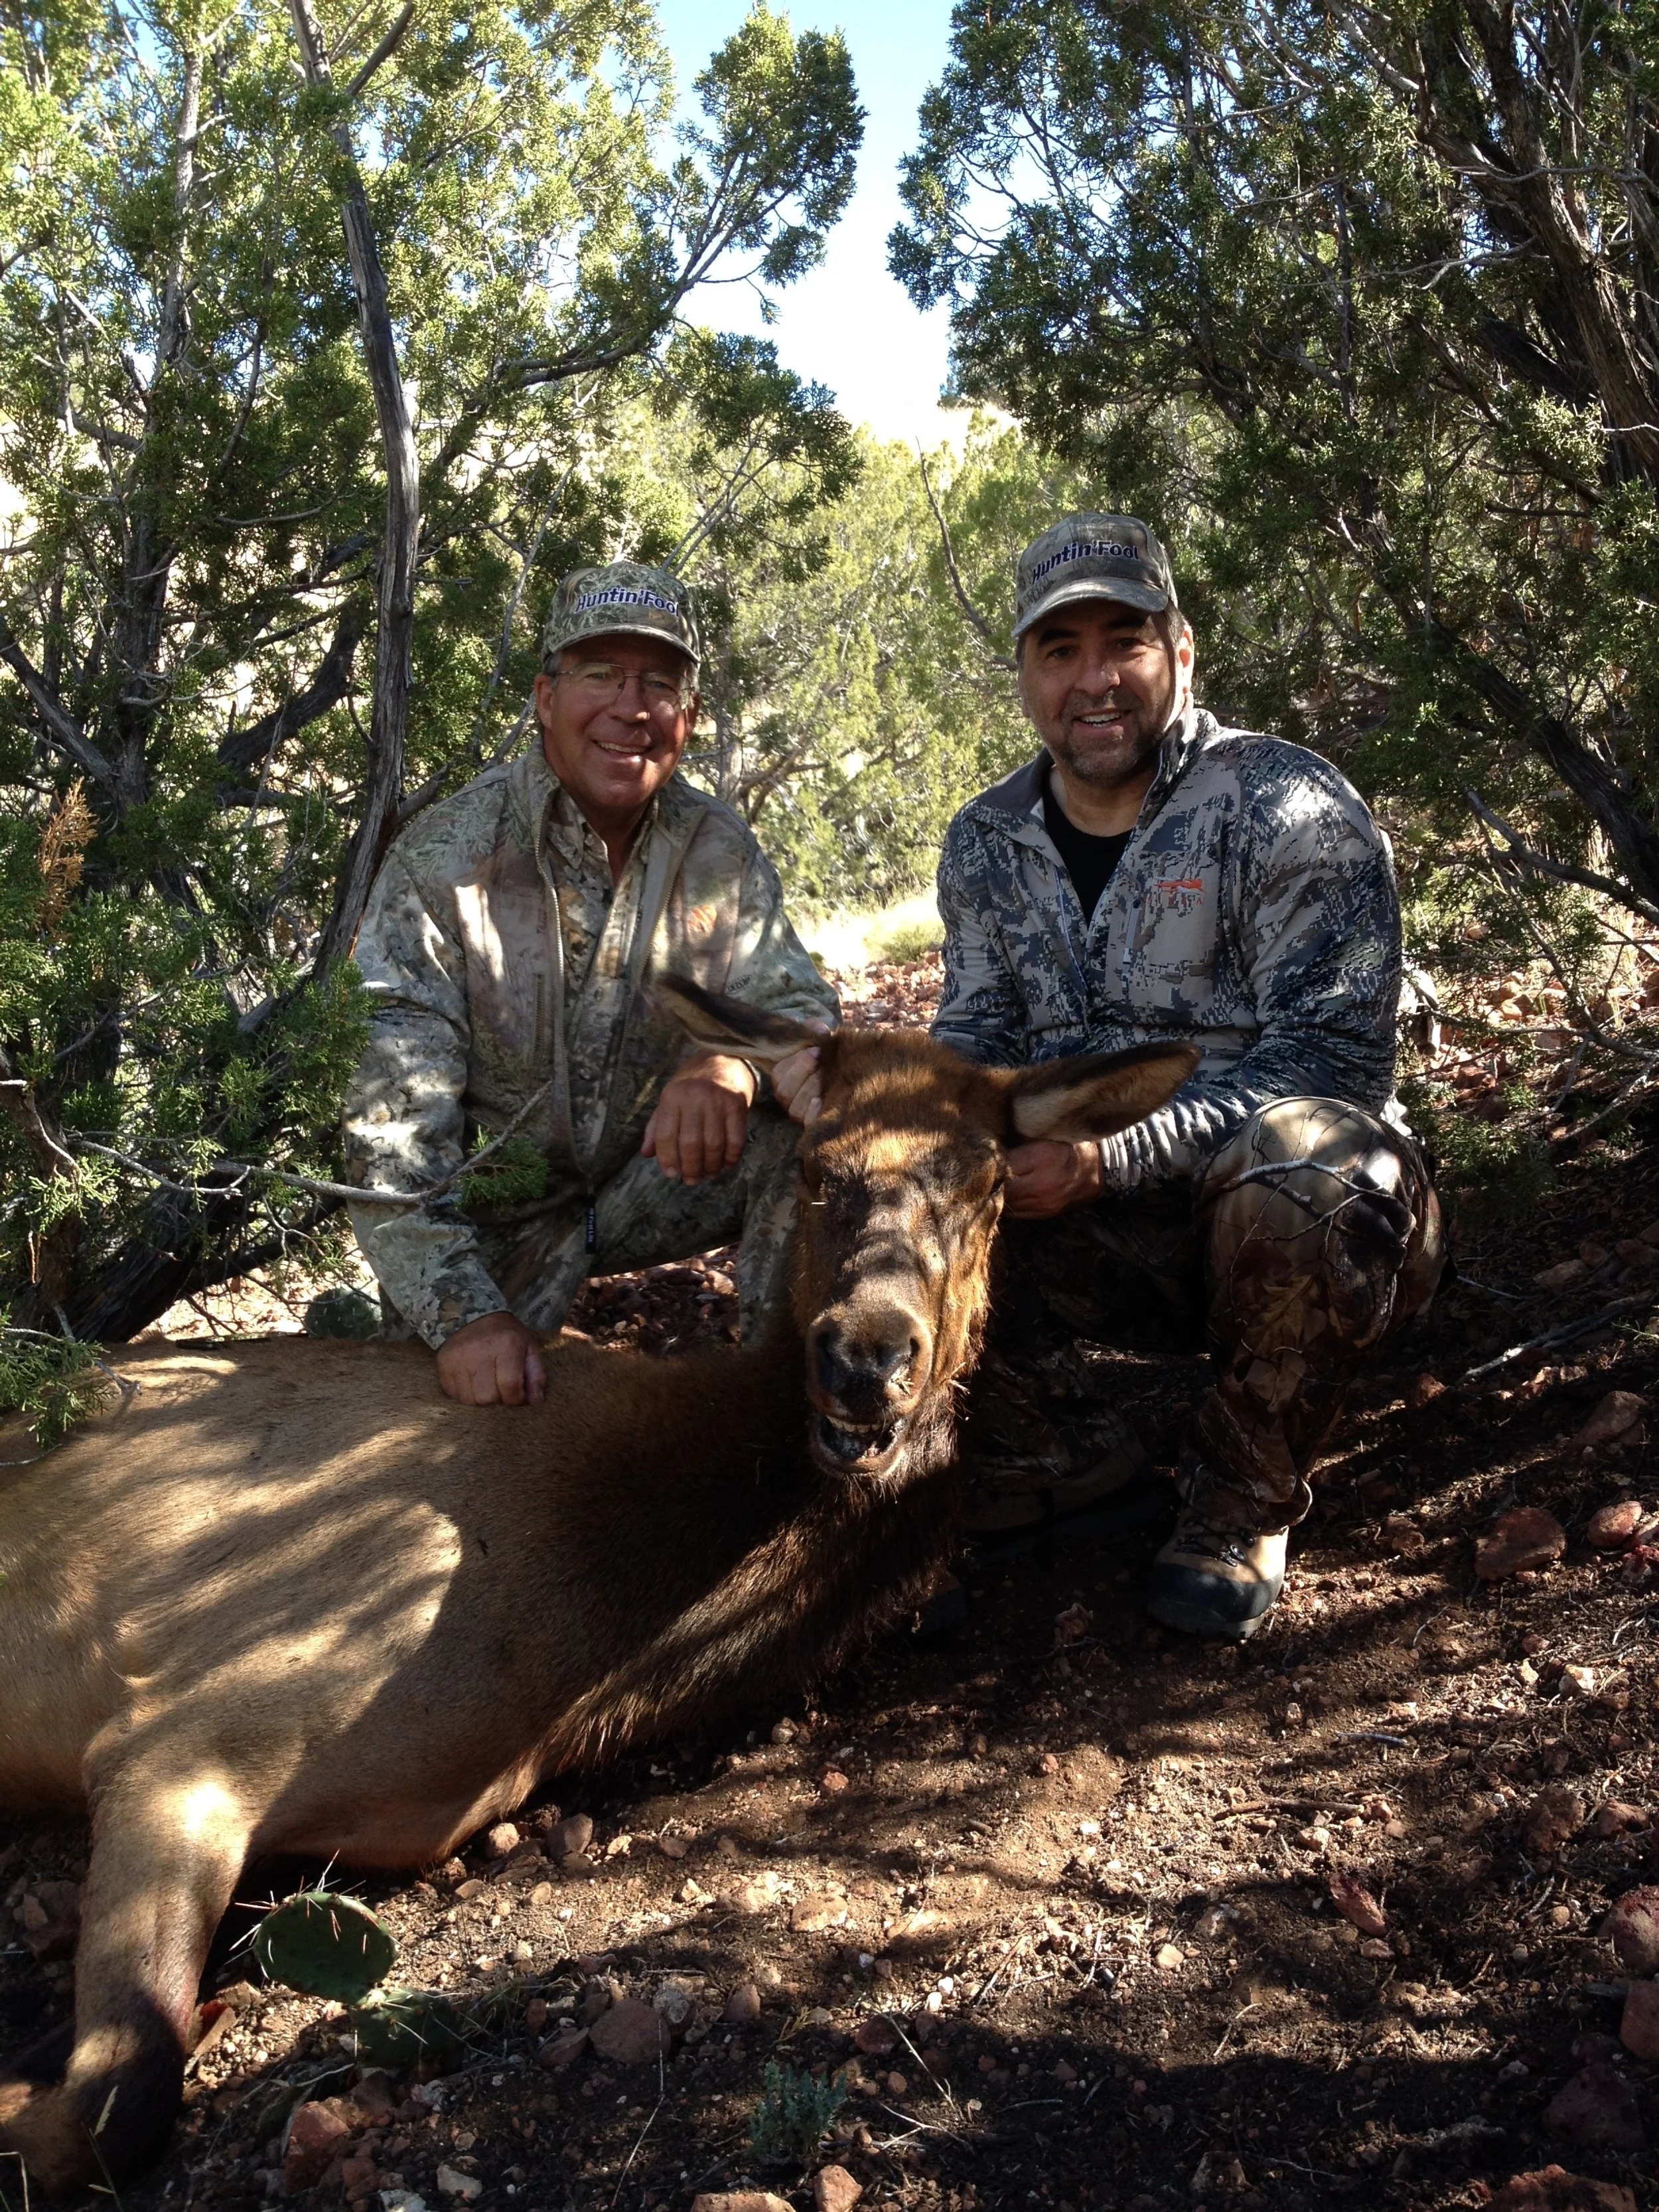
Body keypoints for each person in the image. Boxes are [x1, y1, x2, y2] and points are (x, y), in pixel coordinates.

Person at [780, 514, 1442, 1639]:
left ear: (1179, 651)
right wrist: (867, 1101)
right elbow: (977, 1042)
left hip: (1285, 1211)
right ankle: (1054, 1456)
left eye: (1123, 641)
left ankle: (1242, 1495)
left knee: (1305, 1174)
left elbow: (1333, 1064)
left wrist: (1112, 1156)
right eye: (1060, 649)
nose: (1095, 679)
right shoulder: (986, 838)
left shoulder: (1289, 805)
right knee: (898, 1202)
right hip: (1080, 1201)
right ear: (1028, 676)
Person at [342, 560, 837, 1406]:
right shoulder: (445, 859)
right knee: (445, 1420)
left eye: (658, 682)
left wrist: (728, 1064)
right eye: (599, 675)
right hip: (491, 1225)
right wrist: (462, 1316)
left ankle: (785, 1405)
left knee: (803, 1141)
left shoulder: (716, 844)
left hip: (644, 1188)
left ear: (688, 714)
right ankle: (368, 1324)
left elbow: (801, 1014)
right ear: (545, 698)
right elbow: (389, 1131)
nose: (630, 707)